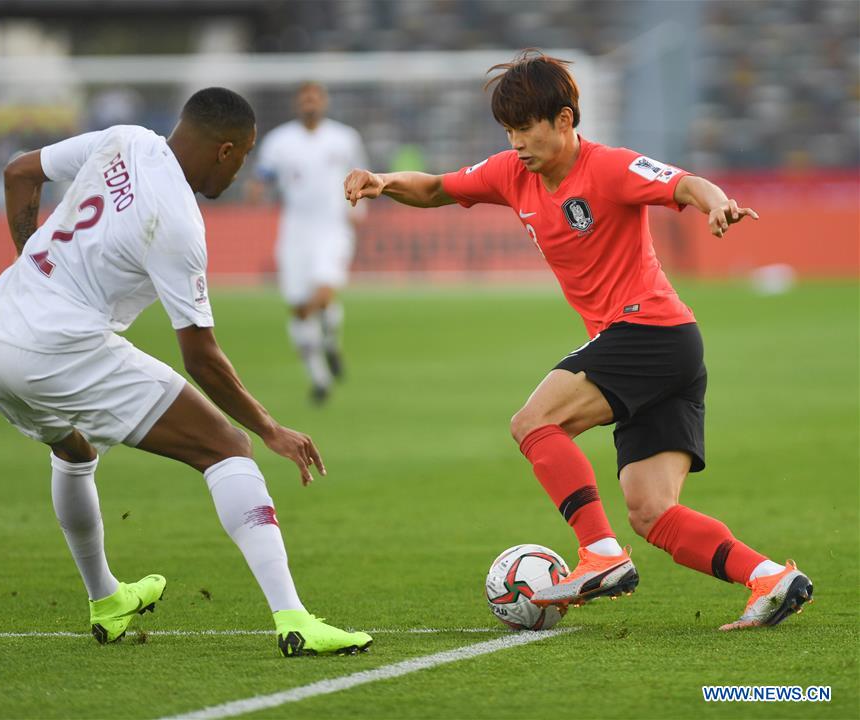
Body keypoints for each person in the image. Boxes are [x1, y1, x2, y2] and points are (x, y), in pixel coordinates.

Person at [344, 52, 813, 631]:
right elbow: (438, 187)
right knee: (651, 512)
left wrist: (716, 203)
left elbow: (685, 183)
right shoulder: (511, 173)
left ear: (564, 119)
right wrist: (385, 181)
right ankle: (768, 577)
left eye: (526, 127)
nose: (517, 142)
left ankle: (600, 554)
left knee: (533, 422)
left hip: (648, 332)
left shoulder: (609, 167)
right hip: (665, 349)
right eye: (509, 130)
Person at [0, 87, 372, 656]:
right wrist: (269, 428)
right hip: (57, 347)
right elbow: (201, 357)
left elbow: (18, 172)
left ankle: (107, 599)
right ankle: (294, 619)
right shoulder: (177, 222)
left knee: (74, 449)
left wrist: (31, 269)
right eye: (242, 157)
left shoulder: (125, 138)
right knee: (228, 447)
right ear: (225, 151)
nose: (240, 171)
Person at [245, 81, 368, 404]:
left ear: (323, 101)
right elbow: (263, 176)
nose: (310, 103)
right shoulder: (279, 141)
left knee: (324, 292)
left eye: (315, 97)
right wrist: (256, 190)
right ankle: (320, 378)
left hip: (333, 227)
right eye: (304, 98)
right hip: (295, 232)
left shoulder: (344, 138)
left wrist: (359, 209)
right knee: (300, 308)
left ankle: (329, 341)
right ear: (297, 103)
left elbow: (361, 174)